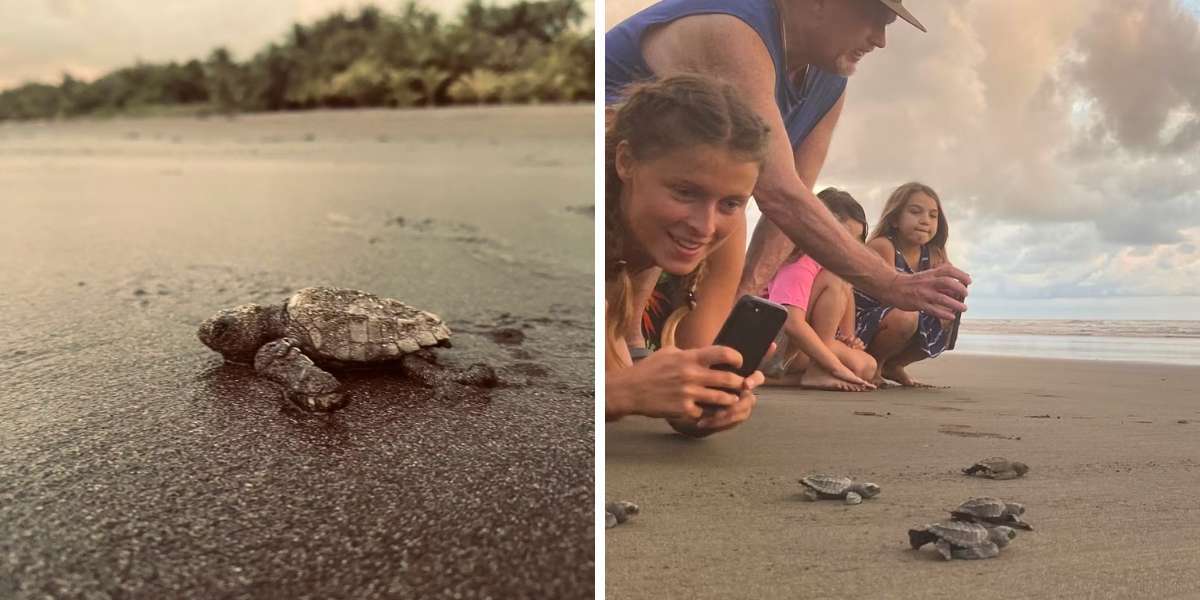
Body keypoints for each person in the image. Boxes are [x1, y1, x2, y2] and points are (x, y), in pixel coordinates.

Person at [606, 0, 970, 353]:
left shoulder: (829, 79)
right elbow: (778, 192)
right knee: (703, 195)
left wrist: (742, 303)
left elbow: (796, 193)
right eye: (873, 17)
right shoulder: (734, 26)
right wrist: (890, 283)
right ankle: (628, 340)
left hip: (682, 191)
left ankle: (679, 360)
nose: (880, 39)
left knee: (725, 218)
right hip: (611, 168)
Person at [605, 74, 772, 437]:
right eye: (684, 192)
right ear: (626, 162)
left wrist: (703, 404)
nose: (705, 225)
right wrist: (621, 393)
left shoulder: (725, 230)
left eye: (731, 202)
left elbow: (698, 369)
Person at [764, 187, 876, 391]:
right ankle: (817, 369)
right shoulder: (800, 260)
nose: (849, 246)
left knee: (867, 366)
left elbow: (845, 330)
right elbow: (790, 322)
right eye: (842, 237)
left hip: (794, 347)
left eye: (857, 240)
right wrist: (833, 364)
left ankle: (790, 378)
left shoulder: (833, 267)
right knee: (855, 367)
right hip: (768, 346)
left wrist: (849, 340)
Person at [854, 182, 952, 387]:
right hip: (863, 323)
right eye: (916, 212)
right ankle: (875, 365)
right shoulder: (883, 245)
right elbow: (885, 295)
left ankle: (894, 365)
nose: (925, 221)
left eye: (933, 215)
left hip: (906, 314)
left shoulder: (934, 252)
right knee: (907, 316)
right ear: (895, 219)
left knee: (949, 311)